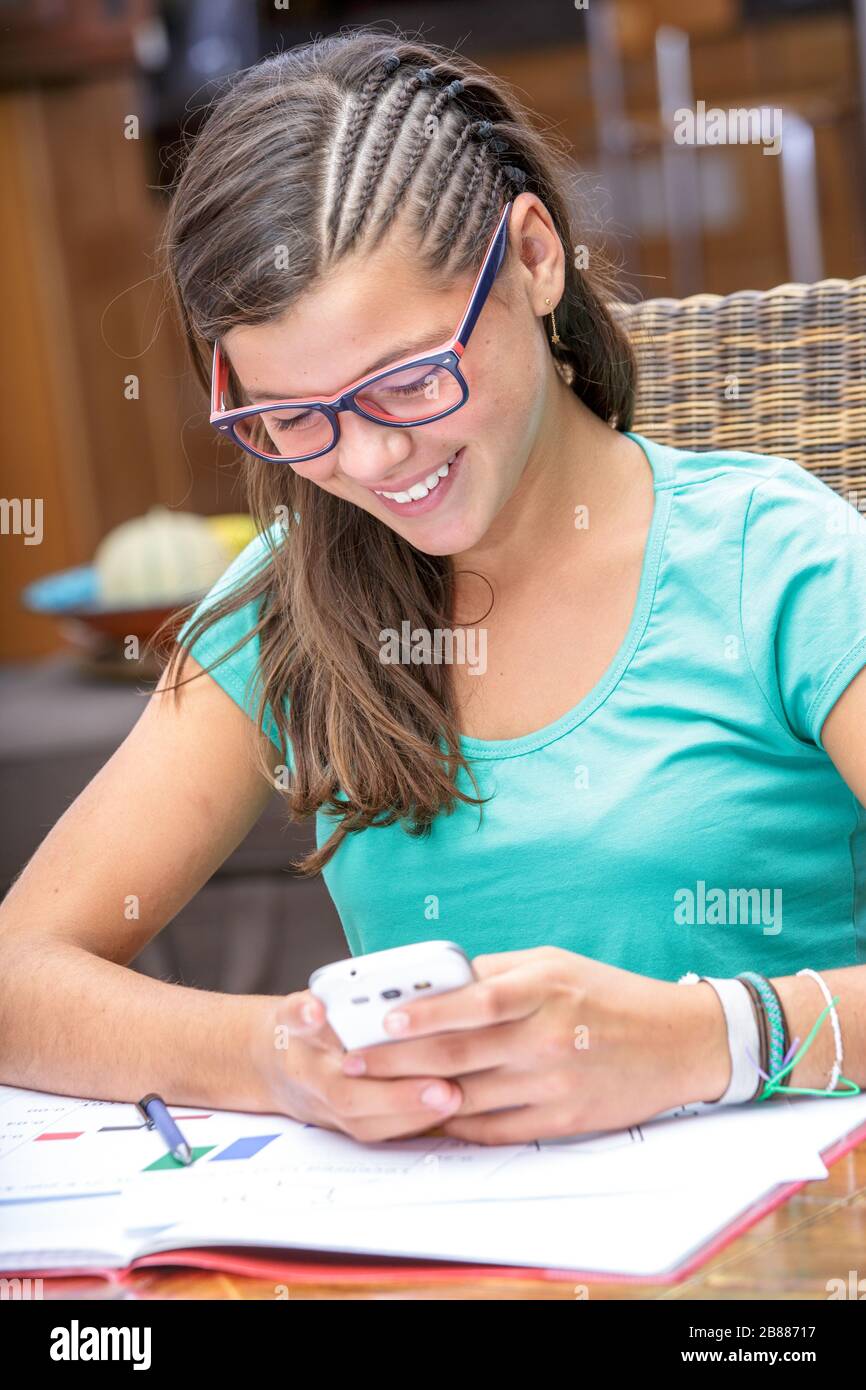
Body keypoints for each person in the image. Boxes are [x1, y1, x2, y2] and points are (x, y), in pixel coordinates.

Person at [2, 29, 864, 1146]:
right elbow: (21, 974)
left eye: (408, 381)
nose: (366, 463)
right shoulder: (293, 599)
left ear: (536, 257)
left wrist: (712, 1040)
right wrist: (276, 1056)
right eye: (291, 417)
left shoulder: (776, 563)